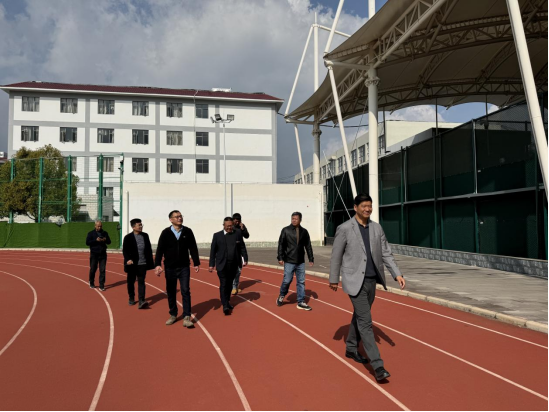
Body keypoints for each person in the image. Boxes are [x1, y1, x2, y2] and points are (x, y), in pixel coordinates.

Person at [329, 194, 406, 383]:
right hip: (354, 280)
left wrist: (396, 274)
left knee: (360, 315)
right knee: (365, 321)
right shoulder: (344, 228)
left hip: (372, 280)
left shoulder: (377, 228)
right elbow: (336, 255)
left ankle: (351, 347)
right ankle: (378, 366)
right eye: (364, 206)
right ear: (355, 207)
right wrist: (333, 279)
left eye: (369, 206)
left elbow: (386, 253)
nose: (367, 209)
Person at [155, 211, 200, 328]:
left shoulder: (188, 231)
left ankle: (186, 316)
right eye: (177, 217)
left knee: (185, 290)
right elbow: (160, 249)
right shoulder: (165, 233)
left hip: (184, 266)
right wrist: (157, 264)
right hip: (170, 267)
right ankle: (173, 314)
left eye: (180, 216)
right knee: (171, 291)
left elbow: (193, 247)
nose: (180, 218)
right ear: (171, 219)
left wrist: (196, 262)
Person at [209, 217, 249, 316]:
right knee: (224, 284)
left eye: (231, 226)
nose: (229, 228)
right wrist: (211, 264)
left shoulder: (237, 234)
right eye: (227, 226)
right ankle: (225, 305)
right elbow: (213, 251)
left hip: (234, 264)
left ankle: (227, 301)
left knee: (230, 284)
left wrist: (245, 258)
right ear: (223, 225)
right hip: (222, 264)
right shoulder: (217, 235)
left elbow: (242, 247)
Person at [276, 212, 314, 311]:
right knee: (287, 280)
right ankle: (282, 295)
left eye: (296, 219)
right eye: (292, 218)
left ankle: (301, 301)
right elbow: (281, 244)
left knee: (301, 282)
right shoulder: (285, 230)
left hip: (300, 261)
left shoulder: (304, 232)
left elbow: (308, 246)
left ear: (300, 220)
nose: (294, 220)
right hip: (289, 260)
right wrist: (280, 257)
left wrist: (311, 258)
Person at [123, 219, 154, 309]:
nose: (141, 226)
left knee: (141, 282)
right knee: (131, 282)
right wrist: (128, 259)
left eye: (141, 225)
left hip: (142, 263)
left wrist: (151, 262)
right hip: (132, 264)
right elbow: (125, 250)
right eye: (139, 225)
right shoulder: (128, 237)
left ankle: (141, 300)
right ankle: (131, 297)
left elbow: (149, 249)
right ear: (133, 227)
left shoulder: (145, 235)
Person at [86, 220, 112, 292]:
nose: (100, 227)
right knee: (93, 269)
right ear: (95, 226)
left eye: (101, 226)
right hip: (94, 254)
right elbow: (87, 242)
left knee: (102, 270)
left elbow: (109, 242)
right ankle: (91, 282)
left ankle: (101, 285)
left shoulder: (105, 233)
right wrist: (95, 240)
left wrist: (105, 239)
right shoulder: (91, 233)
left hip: (103, 254)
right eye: (98, 226)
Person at [231, 213, 250, 296]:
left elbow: (247, 236)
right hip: (232, 250)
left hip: (239, 249)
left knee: (238, 271)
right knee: (233, 271)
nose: (237, 222)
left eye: (238, 221)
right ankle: (233, 287)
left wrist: (243, 229)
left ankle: (235, 286)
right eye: (236, 221)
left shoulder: (241, 226)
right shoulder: (230, 227)